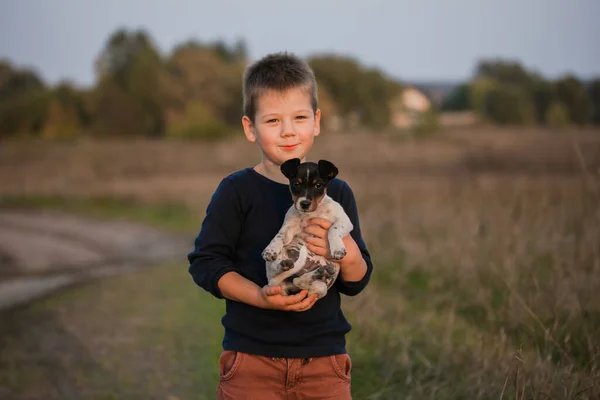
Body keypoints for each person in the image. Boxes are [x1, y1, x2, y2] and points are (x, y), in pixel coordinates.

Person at [187, 51, 373, 399]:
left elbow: (356, 281)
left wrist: (346, 254)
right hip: (252, 362)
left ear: (316, 122)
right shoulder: (236, 191)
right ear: (250, 128)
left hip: (324, 363)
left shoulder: (338, 193)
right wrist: (259, 296)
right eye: (273, 121)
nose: (288, 131)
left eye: (299, 117)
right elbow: (206, 264)